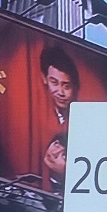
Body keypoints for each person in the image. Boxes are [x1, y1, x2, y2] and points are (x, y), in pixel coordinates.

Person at [37, 46, 81, 194]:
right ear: (44, 79)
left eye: (66, 86)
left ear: (75, 87)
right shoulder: (38, 113)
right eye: (54, 83)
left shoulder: (85, 122)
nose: (60, 92)